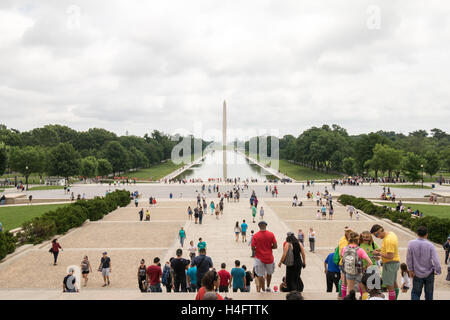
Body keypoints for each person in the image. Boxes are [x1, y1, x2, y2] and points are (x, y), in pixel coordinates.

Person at [406, 226, 442, 300]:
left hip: (416, 272)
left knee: (415, 293)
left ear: (417, 233)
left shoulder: (411, 243)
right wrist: (438, 270)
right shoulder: (430, 245)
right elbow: (436, 260)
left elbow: (409, 258)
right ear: (427, 234)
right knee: (429, 295)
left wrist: (410, 269)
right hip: (429, 273)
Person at [370, 224, 400, 300]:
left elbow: (390, 256)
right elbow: (388, 250)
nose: (377, 237)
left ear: (380, 231)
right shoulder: (391, 234)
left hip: (390, 264)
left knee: (390, 287)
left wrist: (379, 254)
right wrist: (380, 251)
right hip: (394, 263)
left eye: (376, 235)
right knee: (393, 283)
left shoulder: (388, 240)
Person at [340, 231, 373, 299]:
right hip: (359, 272)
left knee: (350, 290)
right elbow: (370, 262)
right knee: (363, 290)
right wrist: (365, 268)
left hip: (349, 271)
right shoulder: (360, 250)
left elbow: (342, 256)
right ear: (357, 240)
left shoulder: (345, 249)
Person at [251, 220, 277, 292]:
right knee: (269, 273)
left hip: (259, 258)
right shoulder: (271, 234)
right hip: (269, 257)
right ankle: (268, 287)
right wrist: (269, 247)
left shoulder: (255, 235)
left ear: (259, 226)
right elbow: (275, 246)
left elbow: (253, 247)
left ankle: (263, 289)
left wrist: (258, 249)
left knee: (260, 275)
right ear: (266, 226)